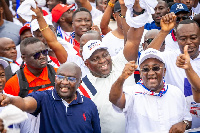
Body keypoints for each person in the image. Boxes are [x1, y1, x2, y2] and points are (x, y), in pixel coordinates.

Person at [32, 0, 144, 132]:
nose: (103, 60)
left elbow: (132, 39)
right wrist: (39, 17)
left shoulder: (120, 62)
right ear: (86, 63)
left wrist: (129, 8)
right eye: (95, 58)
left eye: (104, 54)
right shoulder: (83, 86)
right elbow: (53, 43)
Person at [0, 62, 101, 133]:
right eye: (60, 77)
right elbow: (25, 103)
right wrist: (11, 99)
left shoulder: (90, 105)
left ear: (80, 83)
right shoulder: (44, 97)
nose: (64, 82)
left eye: (71, 79)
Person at [109, 48, 192, 133]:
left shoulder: (176, 92)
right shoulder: (132, 92)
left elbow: (188, 119)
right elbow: (114, 99)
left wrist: (184, 124)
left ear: (164, 71)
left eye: (156, 68)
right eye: (145, 69)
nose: (151, 73)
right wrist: (122, 78)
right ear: (140, 74)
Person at [148, 12, 200, 128]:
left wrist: (188, 67)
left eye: (193, 37)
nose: (188, 42)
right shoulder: (170, 57)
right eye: (183, 39)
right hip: (176, 127)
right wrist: (164, 31)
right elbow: (148, 57)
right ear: (176, 39)